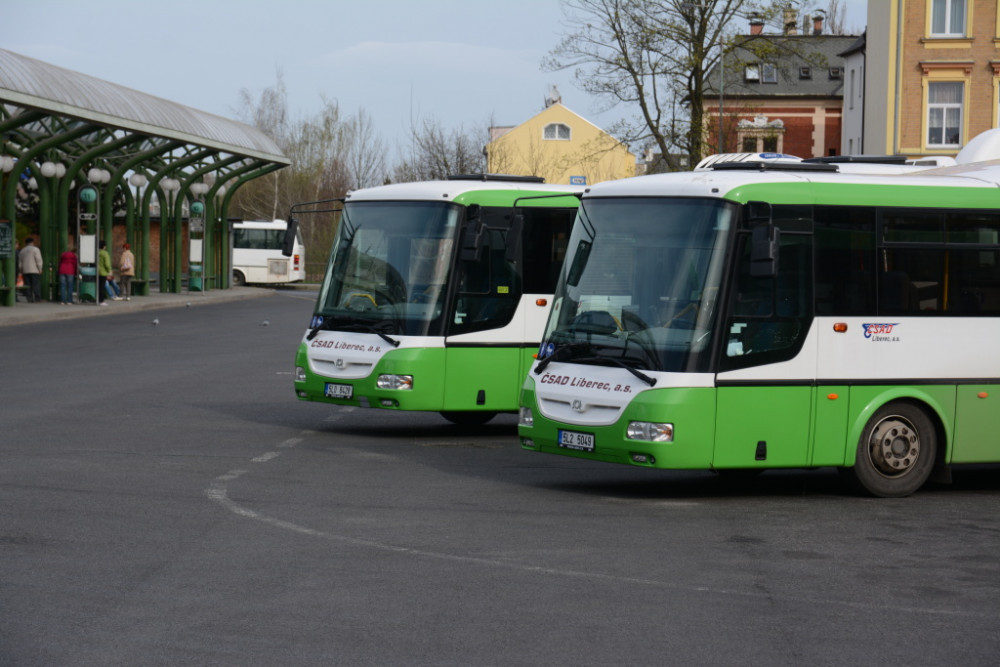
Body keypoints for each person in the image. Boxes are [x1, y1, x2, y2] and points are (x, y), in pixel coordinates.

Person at [18, 236, 43, 303]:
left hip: (25, 270)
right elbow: (38, 260)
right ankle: (37, 298)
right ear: (32, 242)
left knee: (28, 285)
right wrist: (40, 268)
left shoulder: (22, 251)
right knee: (36, 284)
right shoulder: (35, 249)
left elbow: (20, 262)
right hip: (34, 270)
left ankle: (29, 298)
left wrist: (21, 270)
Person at [97, 240, 111, 306]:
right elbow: (107, 264)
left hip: (96, 272)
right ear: (104, 246)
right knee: (102, 287)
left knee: (97, 286)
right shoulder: (105, 253)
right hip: (103, 272)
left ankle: (96, 299)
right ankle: (101, 300)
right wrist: (109, 270)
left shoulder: (96, 253)